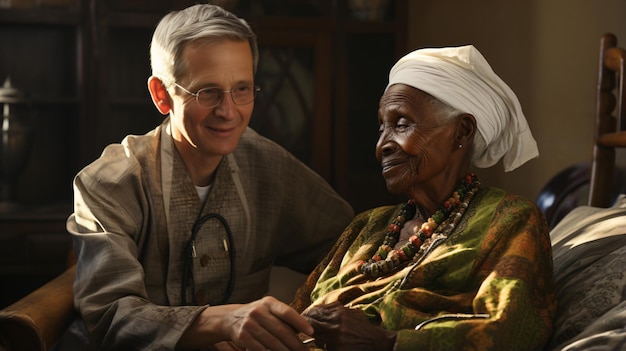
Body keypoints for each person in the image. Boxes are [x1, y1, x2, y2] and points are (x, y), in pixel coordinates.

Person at [64, 4, 354, 350]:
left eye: (242, 89)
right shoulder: (110, 184)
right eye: (208, 92)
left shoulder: (272, 168)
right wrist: (226, 321)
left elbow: (351, 243)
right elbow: (111, 317)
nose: (228, 111)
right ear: (162, 95)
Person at [292, 45, 557, 351]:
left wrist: (385, 342)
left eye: (401, 124)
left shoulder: (510, 219)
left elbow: (511, 331)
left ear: (462, 131)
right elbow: (297, 310)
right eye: (381, 128)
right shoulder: (368, 225)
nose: (382, 146)